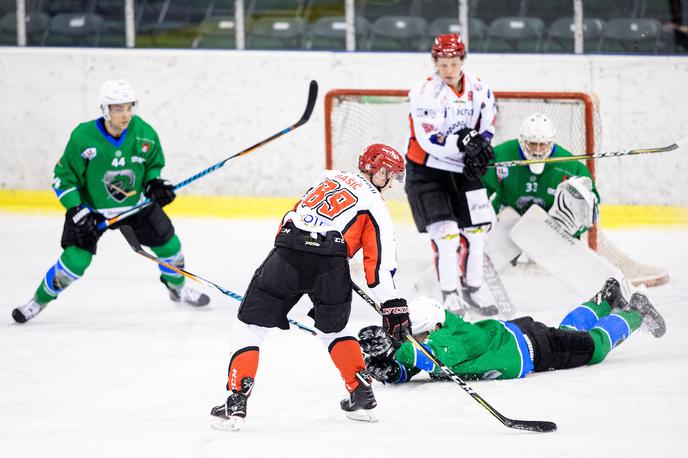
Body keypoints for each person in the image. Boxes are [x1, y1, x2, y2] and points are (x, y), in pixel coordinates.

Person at [209, 144, 412, 431]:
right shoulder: (376, 205)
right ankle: (361, 395)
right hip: (330, 268)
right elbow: (379, 265)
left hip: (286, 256)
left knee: (249, 327)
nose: (391, 182)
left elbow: (290, 217)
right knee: (334, 330)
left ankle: (236, 402)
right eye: (389, 175)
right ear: (378, 172)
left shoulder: (327, 178)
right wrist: (392, 304)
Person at [11, 79, 209, 324]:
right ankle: (37, 301)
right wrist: (76, 209)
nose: (125, 114)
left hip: (136, 206)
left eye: (129, 107)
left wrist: (154, 184)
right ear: (105, 109)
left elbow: (152, 167)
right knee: (74, 262)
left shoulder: (143, 132)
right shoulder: (84, 137)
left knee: (171, 248)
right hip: (91, 210)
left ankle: (177, 289)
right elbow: (63, 179)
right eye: (118, 109)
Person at [359, 278, 666, 384]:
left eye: (419, 335)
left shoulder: (458, 337)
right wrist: (392, 368)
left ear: (435, 328)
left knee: (593, 347)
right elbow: (413, 364)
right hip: (524, 335)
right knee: (569, 331)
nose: (419, 341)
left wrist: (394, 346)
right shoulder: (433, 337)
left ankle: (635, 311)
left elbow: (437, 357)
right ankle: (604, 300)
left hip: (538, 350)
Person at [404, 32, 498, 318]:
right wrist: (465, 145)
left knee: (477, 233)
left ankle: (474, 287)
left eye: (453, 63)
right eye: (442, 64)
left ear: (462, 60)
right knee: (446, 236)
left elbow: (488, 122)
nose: (448, 70)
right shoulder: (423, 91)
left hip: (463, 171)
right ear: (435, 62)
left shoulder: (480, 88)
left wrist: (481, 145)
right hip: (428, 173)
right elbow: (429, 140)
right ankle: (450, 293)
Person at [482, 112, 600, 238]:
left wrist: (573, 230)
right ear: (522, 141)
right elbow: (480, 187)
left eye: (543, 144)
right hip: (508, 219)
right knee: (491, 253)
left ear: (551, 142)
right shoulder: (502, 155)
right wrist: (483, 219)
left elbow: (590, 207)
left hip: (552, 227)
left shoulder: (570, 166)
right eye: (532, 143)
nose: (537, 150)